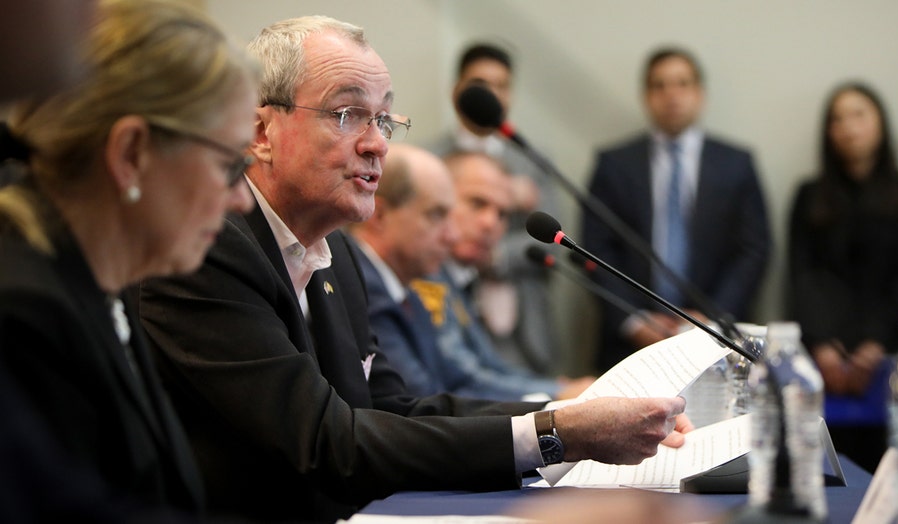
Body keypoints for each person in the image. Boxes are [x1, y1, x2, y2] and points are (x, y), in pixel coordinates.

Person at [137, 16, 691, 523]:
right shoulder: (209, 250)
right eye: (347, 114)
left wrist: (571, 412)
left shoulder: (339, 255)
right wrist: (556, 434)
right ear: (262, 133)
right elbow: (327, 443)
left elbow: (396, 409)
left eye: (383, 118)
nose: (378, 144)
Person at [0, 0, 258, 515]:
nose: (243, 201)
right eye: (230, 165)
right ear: (131, 154)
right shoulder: (25, 314)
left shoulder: (103, 288)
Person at [582, 46, 771, 371]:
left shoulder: (736, 164)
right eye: (660, 85)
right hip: (629, 348)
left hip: (716, 343)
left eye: (682, 84)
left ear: (700, 94)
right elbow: (594, 248)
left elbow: (753, 250)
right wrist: (635, 321)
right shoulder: (614, 164)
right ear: (646, 96)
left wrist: (712, 317)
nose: (671, 95)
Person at [350, 144, 590, 400]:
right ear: (381, 214)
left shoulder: (414, 276)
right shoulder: (376, 282)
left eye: (502, 214)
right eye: (477, 203)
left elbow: (483, 365)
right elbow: (430, 394)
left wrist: (552, 392)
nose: (490, 224)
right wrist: (553, 396)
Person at [788, 82, 898, 471]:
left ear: (880, 123)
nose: (848, 127)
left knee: (883, 468)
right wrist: (823, 346)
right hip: (821, 359)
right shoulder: (809, 195)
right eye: (837, 118)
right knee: (824, 471)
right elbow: (803, 274)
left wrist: (875, 345)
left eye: (859, 114)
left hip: (885, 358)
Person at [429, 43, 560, 376]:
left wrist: (494, 255)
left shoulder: (531, 159)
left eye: (502, 86)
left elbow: (553, 239)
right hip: (447, 314)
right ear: (458, 90)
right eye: (481, 85)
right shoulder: (428, 160)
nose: (494, 95)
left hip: (523, 325)